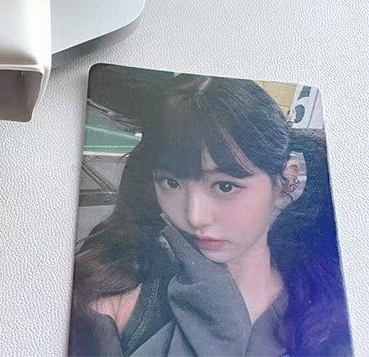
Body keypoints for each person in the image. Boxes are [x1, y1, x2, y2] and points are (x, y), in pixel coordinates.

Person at [69, 70, 352, 357]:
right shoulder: (114, 309)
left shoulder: (335, 310)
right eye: (171, 183)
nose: (195, 217)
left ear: (286, 182)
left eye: (225, 186)